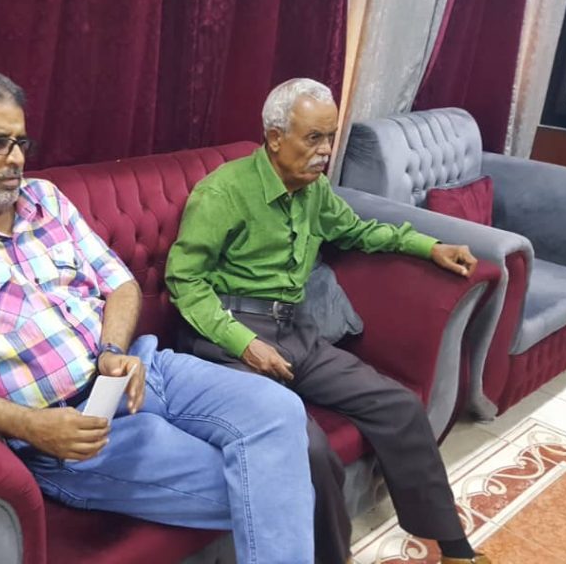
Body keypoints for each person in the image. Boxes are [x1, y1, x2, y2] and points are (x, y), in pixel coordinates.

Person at [0, 67, 315, 563]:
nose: (16, 158)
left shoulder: (45, 199)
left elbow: (120, 284)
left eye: (21, 142)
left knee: (280, 410)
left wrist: (113, 349)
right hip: (70, 428)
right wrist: (28, 425)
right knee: (269, 487)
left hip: (140, 369)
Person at [165, 78, 490, 564]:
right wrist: (244, 343)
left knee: (398, 405)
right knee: (306, 446)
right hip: (230, 342)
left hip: (296, 332)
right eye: (313, 138)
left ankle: (453, 548)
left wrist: (431, 247)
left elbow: (358, 230)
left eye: (331, 137)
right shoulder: (223, 192)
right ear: (275, 137)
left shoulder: (314, 190)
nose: (325, 151)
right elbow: (184, 281)